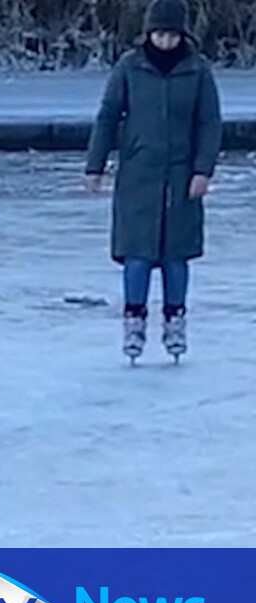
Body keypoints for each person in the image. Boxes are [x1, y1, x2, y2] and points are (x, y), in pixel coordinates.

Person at [84, 0, 222, 363]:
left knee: (176, 255)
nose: (165, 41)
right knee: (137, 255)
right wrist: (94, 166)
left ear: (182, 35)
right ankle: (134, 321)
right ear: (149, 33)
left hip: (181, 178)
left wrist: (202, 170)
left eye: (172, 34)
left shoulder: (198, 71)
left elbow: (209, 123)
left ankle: (175, 319)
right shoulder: (129, 68)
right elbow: (108, 116)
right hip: (138, 178)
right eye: (160, 34)